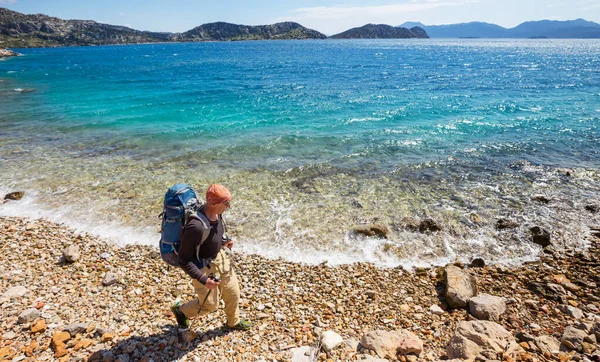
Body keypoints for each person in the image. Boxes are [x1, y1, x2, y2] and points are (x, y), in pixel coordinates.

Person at [171, 184, 251, 331]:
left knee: (233, 293)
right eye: (226, 203)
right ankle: (181, 311)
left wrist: (223, 242)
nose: (228, 206)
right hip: (203, 268)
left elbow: (212, 236)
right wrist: (204, 280)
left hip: (220, 259)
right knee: (209, 305)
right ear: (213, 203)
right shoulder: (195, 226)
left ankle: (233, 322)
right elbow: (183, 260)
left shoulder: (217, 213)